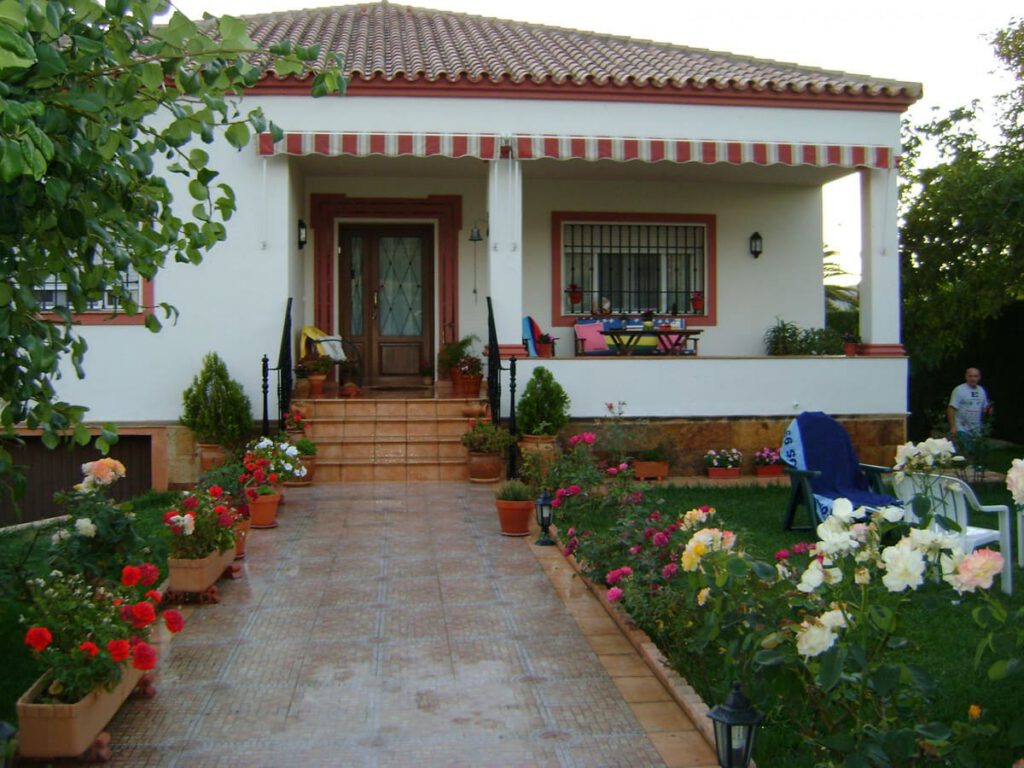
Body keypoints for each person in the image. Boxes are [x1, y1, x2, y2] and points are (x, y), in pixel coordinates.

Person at [947, 367, 993, 446]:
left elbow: (984, 408)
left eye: (975, 376)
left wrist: (988, 411)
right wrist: (953, 427)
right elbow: (951, 408)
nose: (973, 379)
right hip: (961, 428)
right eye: (970, 376)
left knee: (976, 452)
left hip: (976, 429)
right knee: (965, 451)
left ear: (979, 377)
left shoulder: (981, 390)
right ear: (966, 377)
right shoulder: (959, 390)